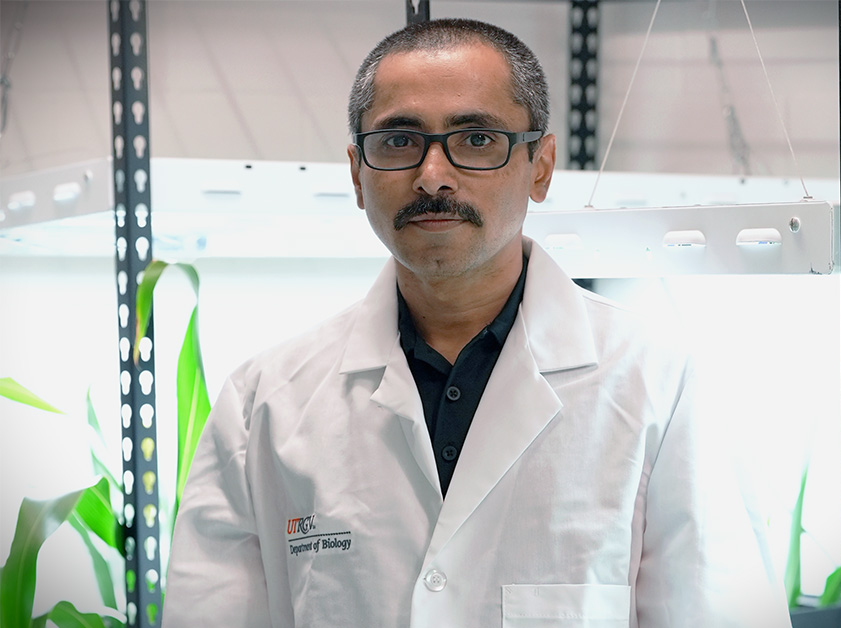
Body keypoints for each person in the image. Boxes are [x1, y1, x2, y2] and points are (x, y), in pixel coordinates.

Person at [164, 18, 790, 628]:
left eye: (477, 139)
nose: (433, 175)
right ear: (358, 174)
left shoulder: (659, 383)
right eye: (399, 141)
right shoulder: (263, 403)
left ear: (539, 167)